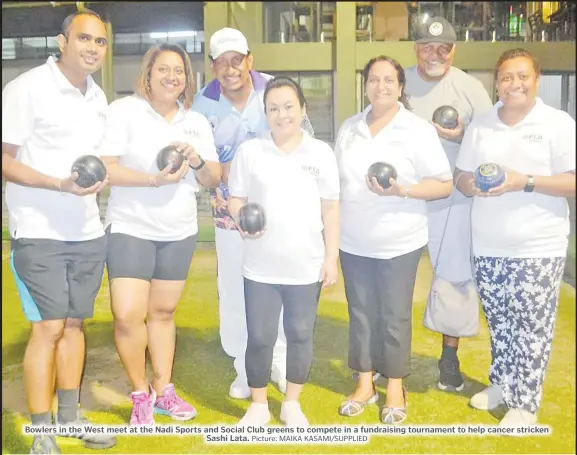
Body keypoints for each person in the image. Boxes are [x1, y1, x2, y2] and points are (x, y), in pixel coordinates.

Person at [1, 10, 116, 454]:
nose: (92, 48)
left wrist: (95, 181)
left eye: (100, 42)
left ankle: (69, 419)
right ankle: (40, 431)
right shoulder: (27, 88)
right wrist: (57, 184)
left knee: (73, 325)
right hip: (39, 231)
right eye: (84, 39)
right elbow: (5, 159)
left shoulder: (97, 97)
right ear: (62, 41)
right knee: (47, 328)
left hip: (87, 229)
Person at [98, 43, 221, 425]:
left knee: (163, 313)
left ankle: (164, 389)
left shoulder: (195, 122)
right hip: (131, 226)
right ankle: (140, 394)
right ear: (148, 74)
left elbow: (213, 177)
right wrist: (153, 180)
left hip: (178, 229)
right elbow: (106, 170)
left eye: (179, 71)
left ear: (188, 79)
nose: (172, 77)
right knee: (127, 314)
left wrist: (197, 158)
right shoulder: (124, 111)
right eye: (163, 69)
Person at [454, 48, 576, 427]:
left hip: (538, 245)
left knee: (532, 326)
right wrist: (472, 186)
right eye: (506, 77)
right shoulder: (482, 125)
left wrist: (524, 181)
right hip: (489, 244)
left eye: (522, 76)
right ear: (497, 82)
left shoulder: (558, 123)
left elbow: (571, 180)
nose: (514, 84)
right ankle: (502, 385)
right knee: (501, 322)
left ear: (536, 80)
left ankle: (525, 404)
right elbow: (461, 176)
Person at [191, 28, 313, 399]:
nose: (231, 69)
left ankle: (276, 359)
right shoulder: (202, 104)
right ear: (212, 66)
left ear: (250, 60)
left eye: (237, 59)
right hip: (229, 213)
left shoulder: (275, 91)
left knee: (275, 284)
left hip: (280, 210)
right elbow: (207, 167)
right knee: (233, 287)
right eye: (222, 62)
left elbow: (302, 140)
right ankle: (244, 365)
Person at [335, 56, 453, 425]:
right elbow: (335, 185)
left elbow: (444, 184)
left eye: (389, 80)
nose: (381, 86)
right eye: (374, 79)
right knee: (361, 314)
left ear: (401, 87)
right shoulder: (350, 128)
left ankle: (396, 387)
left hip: (399, 242)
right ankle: (365, 383)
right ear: (365, 84)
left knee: (395, 316)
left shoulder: (417, 130)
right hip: (353, 240)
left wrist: (403, 190)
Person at [227, 76, 340, 427]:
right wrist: (241, 219)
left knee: (300, 335)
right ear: (265, 114)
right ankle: (259, 404)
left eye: (289, 106)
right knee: (259, 337)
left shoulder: (320, 152)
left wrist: (330, 258)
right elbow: (236, 200)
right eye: (273, 108)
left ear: (302, 109)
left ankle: (292, 402)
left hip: (305, 265)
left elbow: (331, 208)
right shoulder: (251, 152)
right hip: (260, 265)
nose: (282, 114)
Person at [404, 16, 494, 392]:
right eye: (427, 46)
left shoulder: (471, 88)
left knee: (455, 278)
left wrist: (464, 134)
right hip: (405, 194)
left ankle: (448, 359)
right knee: (394, 277)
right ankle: (384, 355)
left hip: (454, 196)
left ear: (453, 50)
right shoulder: (398, 81)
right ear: (416, 49)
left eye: (443, 48)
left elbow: (491, 142)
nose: (434, 54)